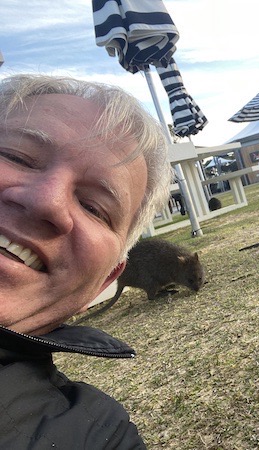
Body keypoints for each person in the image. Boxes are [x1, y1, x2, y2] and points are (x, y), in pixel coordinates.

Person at [0, 74, 173, 448]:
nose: (48, 201)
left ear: (106, 279)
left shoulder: (97, 435)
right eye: (15, 155)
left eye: (94, 207)